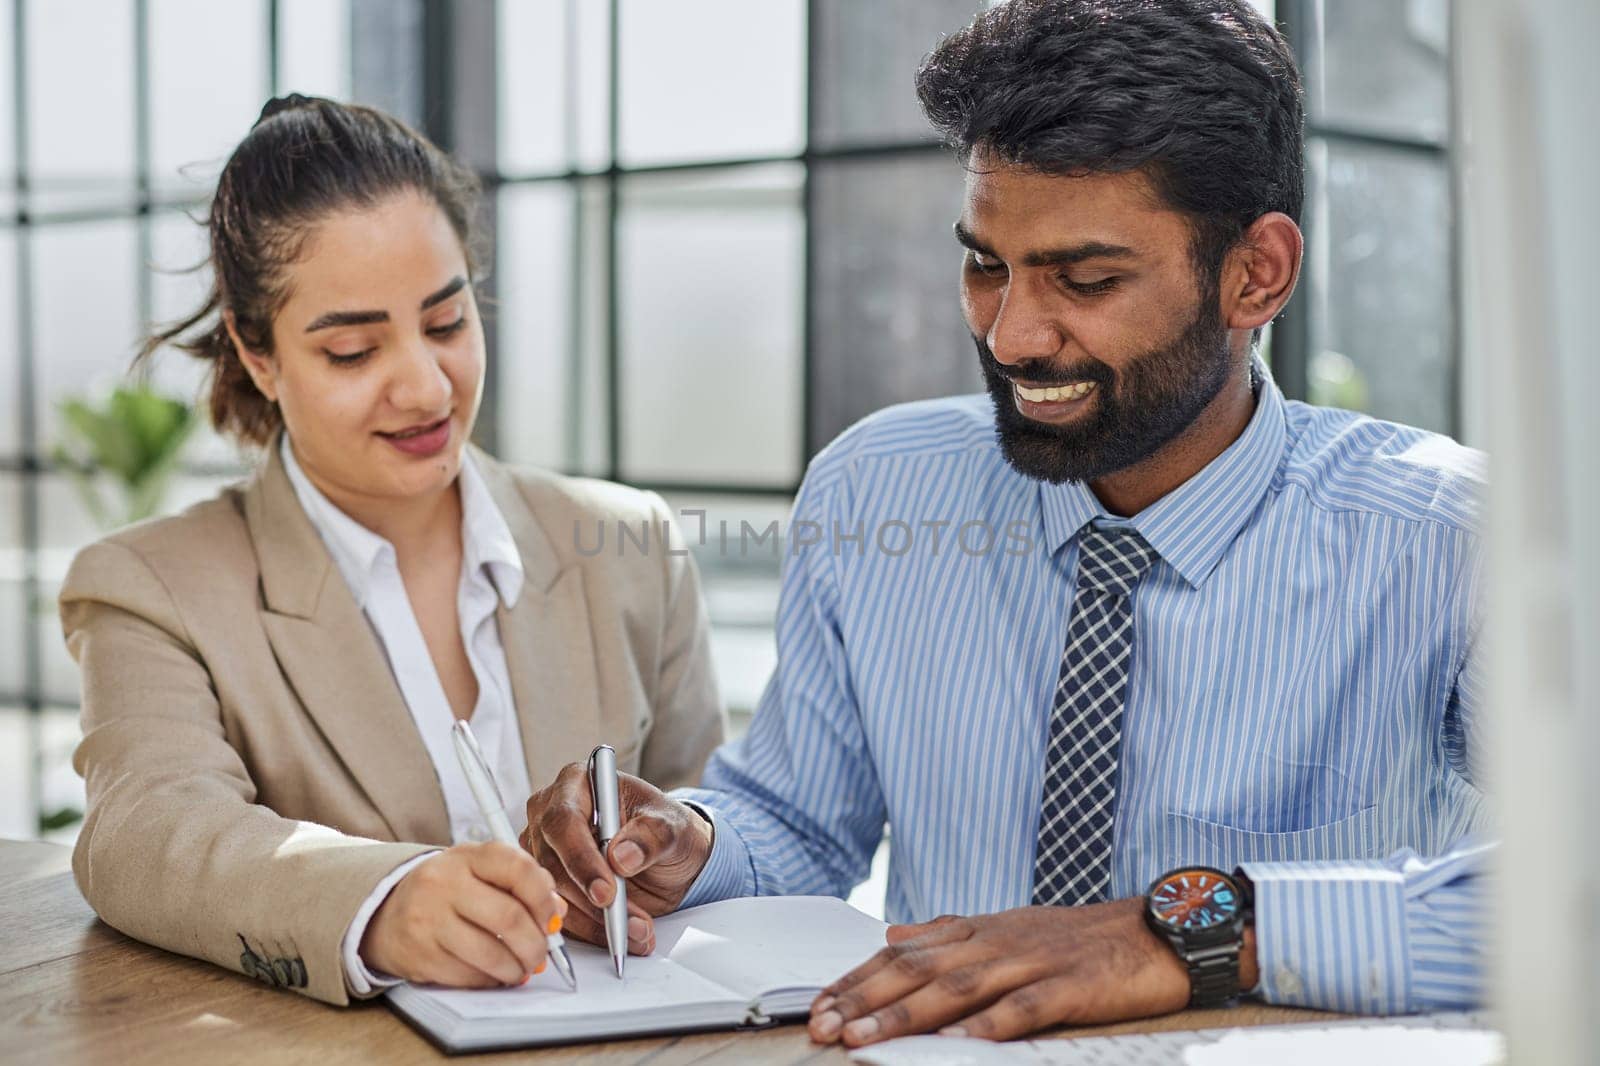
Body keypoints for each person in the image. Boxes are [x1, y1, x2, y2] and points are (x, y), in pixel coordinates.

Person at [523, 0, 1490, 1047]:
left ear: (1255, 273)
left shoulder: (1441, 537)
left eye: (1086, 279)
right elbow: (801, 823)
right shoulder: (875, 489)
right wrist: (688, 841)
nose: (1014, 335)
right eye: (987, 265)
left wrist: (1188, 934)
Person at [60, 95, 725, 1006]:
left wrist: (684, 845)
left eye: (448, 324)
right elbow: (144, 832)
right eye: (353, 350)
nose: (422, 385)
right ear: (258, 358)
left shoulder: (630, 547)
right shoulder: (152, 588)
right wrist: (378, 903)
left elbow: (718, 821)